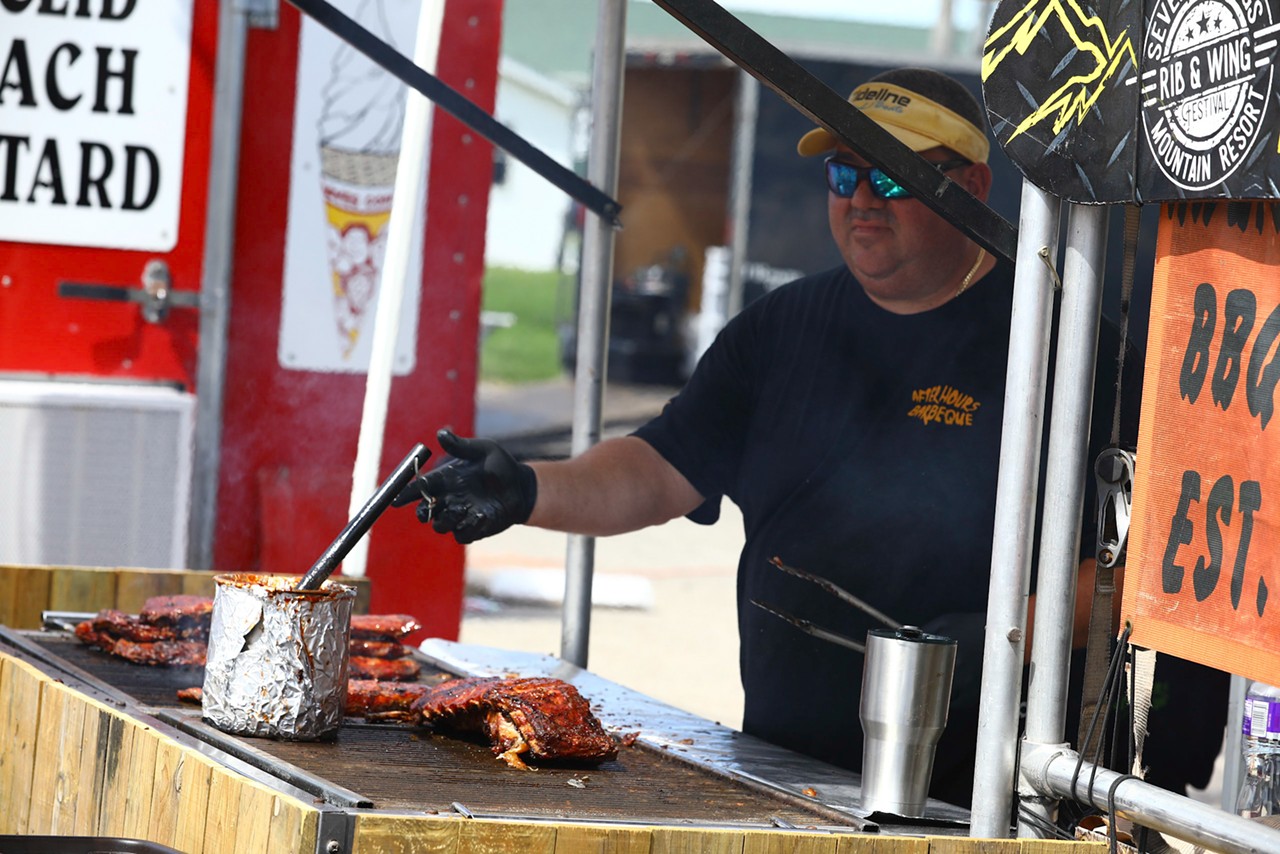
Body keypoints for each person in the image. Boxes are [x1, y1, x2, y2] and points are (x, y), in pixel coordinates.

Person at [395, 67, 1221, 808]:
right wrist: (529, 490)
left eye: (890, 174)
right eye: (842, 172)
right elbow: (659, 468)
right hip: (787, 769)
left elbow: (1150, 561)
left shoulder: (1067, 348)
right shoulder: (779, 329)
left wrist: (1002, 634)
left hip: (993, 791)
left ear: (970, 184)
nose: (861, 197)